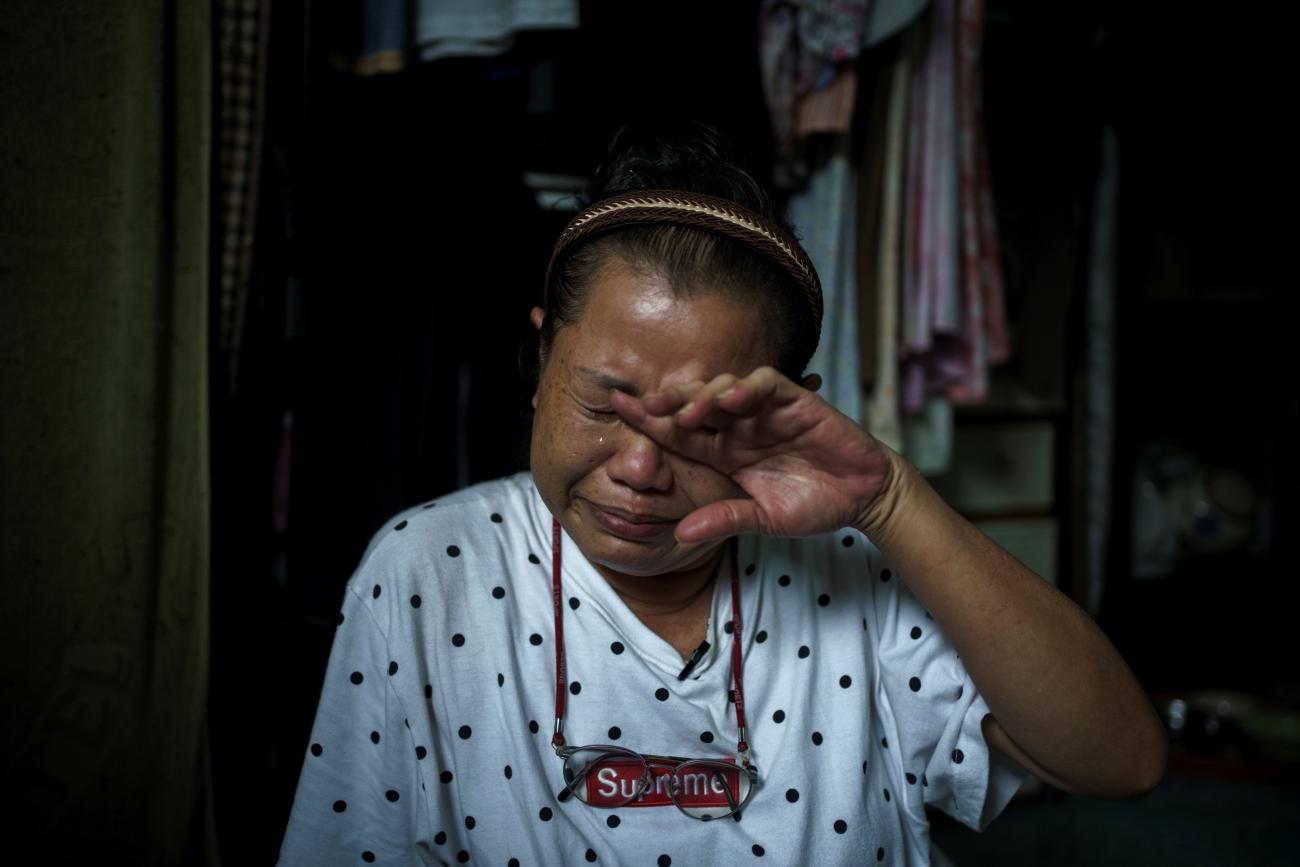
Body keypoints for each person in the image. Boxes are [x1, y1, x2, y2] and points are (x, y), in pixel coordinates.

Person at [277, 124, 1166, 866]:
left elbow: (1123, 759)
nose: (638, 466)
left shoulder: (856, 573)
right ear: (542, 358)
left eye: (699, 430)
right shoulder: (429, 571)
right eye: (602, 402)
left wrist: (894, 499)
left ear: (786, 408)